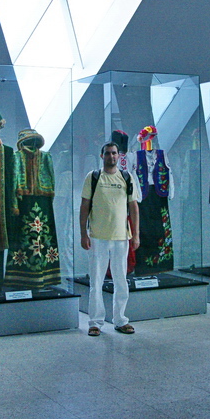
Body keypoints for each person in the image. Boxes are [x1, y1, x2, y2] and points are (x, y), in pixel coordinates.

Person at [80, 141, 140, 336]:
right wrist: (83, 234)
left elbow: (133, 207)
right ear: (102, 156)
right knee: (96, 281)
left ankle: (121, 320)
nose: (111, 156)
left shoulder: (126, 177)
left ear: (118, 156)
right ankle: (95, 322)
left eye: (114, 153)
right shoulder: (93, 177)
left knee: (121, 280)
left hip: (121, 237)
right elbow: (84, 206)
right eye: (107, 153)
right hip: (97, 237)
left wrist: (136, 235)